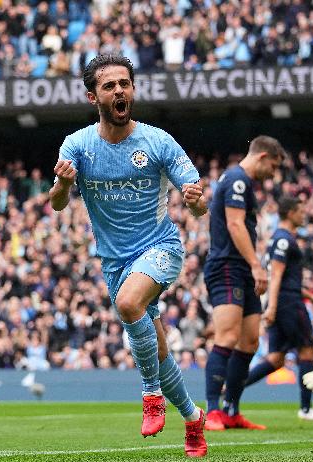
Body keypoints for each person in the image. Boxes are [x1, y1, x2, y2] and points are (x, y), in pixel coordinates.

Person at [48, 54, 207, 457]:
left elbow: (198, 201)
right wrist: (63, 186)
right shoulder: (77, 145)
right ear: (93, 97)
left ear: (133, 89)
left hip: (160, 248)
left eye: (125, 83)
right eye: (109, 86)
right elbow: (58, 204)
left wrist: (196, 202)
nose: (119, 91)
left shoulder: (158, 141)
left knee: (129, 303)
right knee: (159, 351)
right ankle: (193, 418)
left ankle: (151, 395)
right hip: (115, 262)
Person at [203, 135, 285, 431]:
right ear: (262, 157)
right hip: (227, 266)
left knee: (250, 341)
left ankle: (231, 410)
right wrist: (256, 265)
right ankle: (212, 411)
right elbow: (235, 224)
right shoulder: (237, 179)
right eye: (273, 166)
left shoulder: (244, 183)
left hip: (243, 269)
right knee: (226, 336)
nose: (272, 174)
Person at [244, 196, 313, 421]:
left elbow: (283, 278)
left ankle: (232, 388)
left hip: (284, 300)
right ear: (291, 212)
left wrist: (310, 297)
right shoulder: (284, 240)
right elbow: (275, 275)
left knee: (276, 359)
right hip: (288, 304)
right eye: (300, 211)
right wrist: (272, 307)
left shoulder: (279, 239)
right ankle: (306, 409)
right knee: (307, 351)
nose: (304, 215)